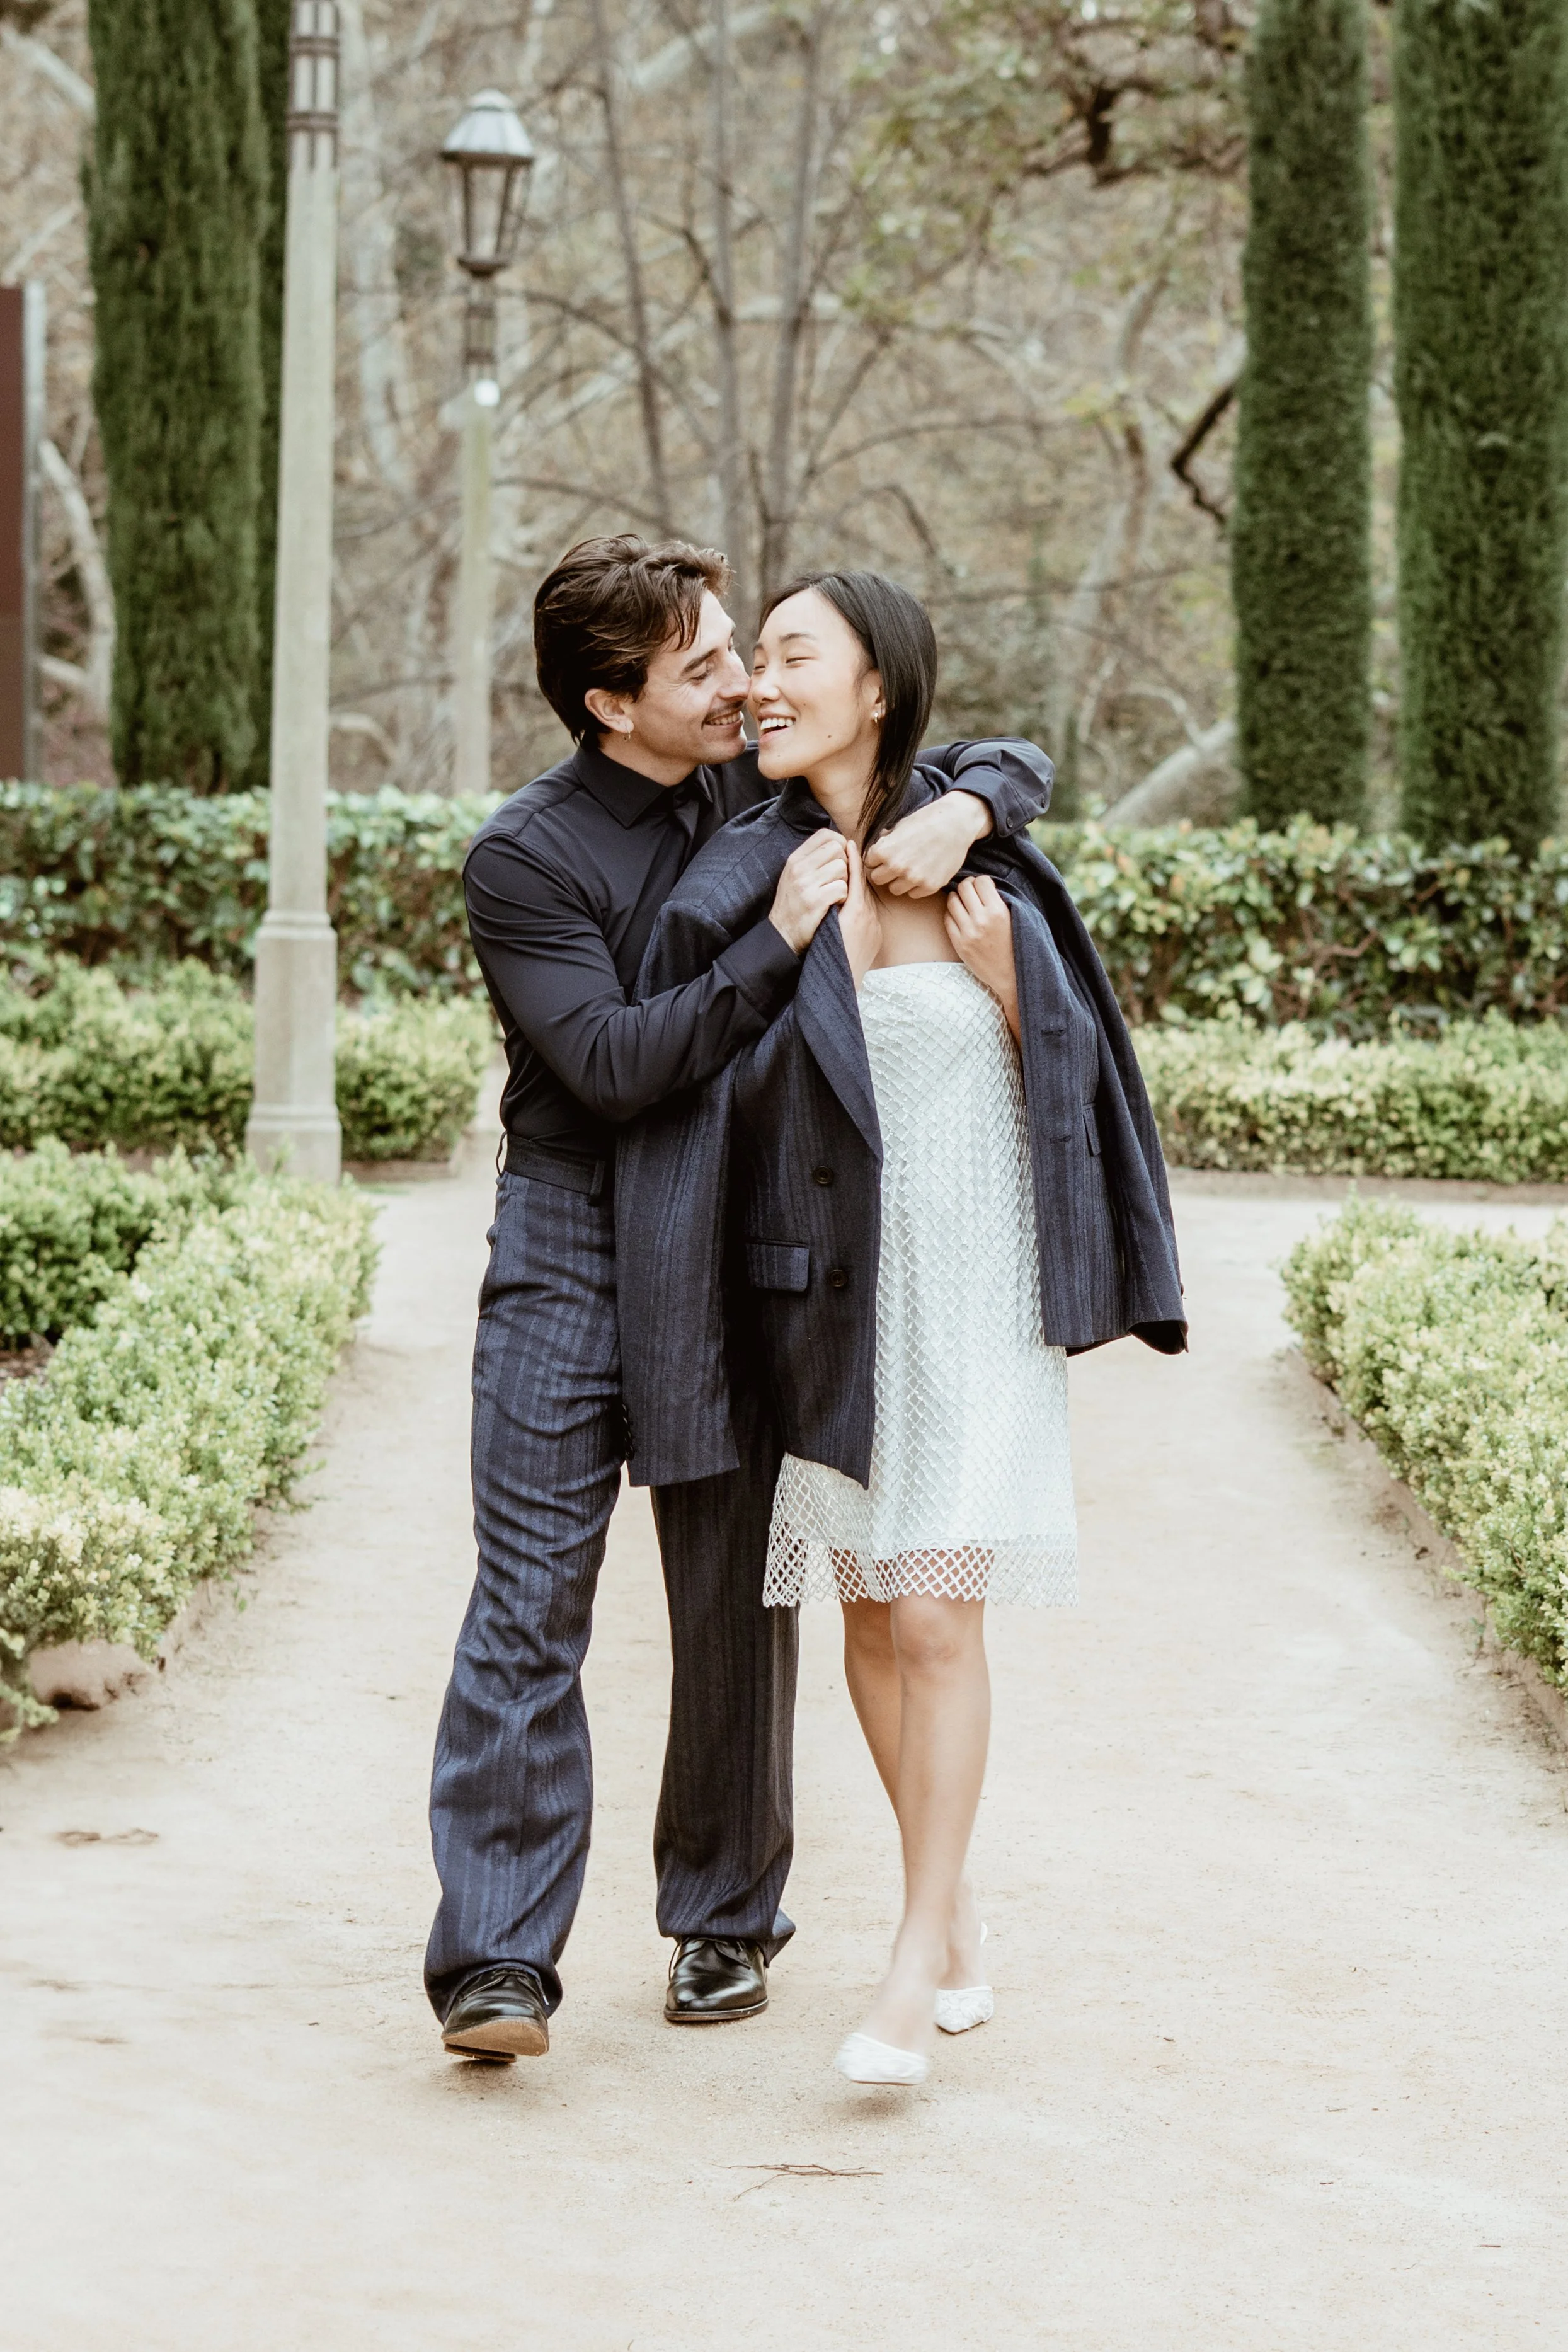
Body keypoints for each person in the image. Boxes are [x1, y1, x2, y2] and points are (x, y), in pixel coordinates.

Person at [425, 535, 1057, 2061]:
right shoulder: (525, 857)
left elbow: (957, 745)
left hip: (725, 1232)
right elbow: (614, 1067)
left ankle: (721, 1923)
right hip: (574, 1233)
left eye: (743, 651)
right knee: (526, 1599)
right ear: (607, 706)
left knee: (729, 1603)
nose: (738, 684)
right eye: (702, 664)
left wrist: (975, 799)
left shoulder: (746, 785)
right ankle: (498, 1964)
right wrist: (775, 941)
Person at [616, 571, 1186, 2085]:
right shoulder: (757, 866)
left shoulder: (979, 855)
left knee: (935, 1613)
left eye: (797, 654)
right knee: (870, 1612)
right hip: (837, 1294)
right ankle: (957, 1910)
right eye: (763, 659)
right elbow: (703, 1079)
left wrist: (1013, 994)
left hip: (976, 1285)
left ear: (878, 687)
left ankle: (907, 1956)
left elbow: (1079, 1093)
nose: (765, 681)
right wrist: (813, 947)